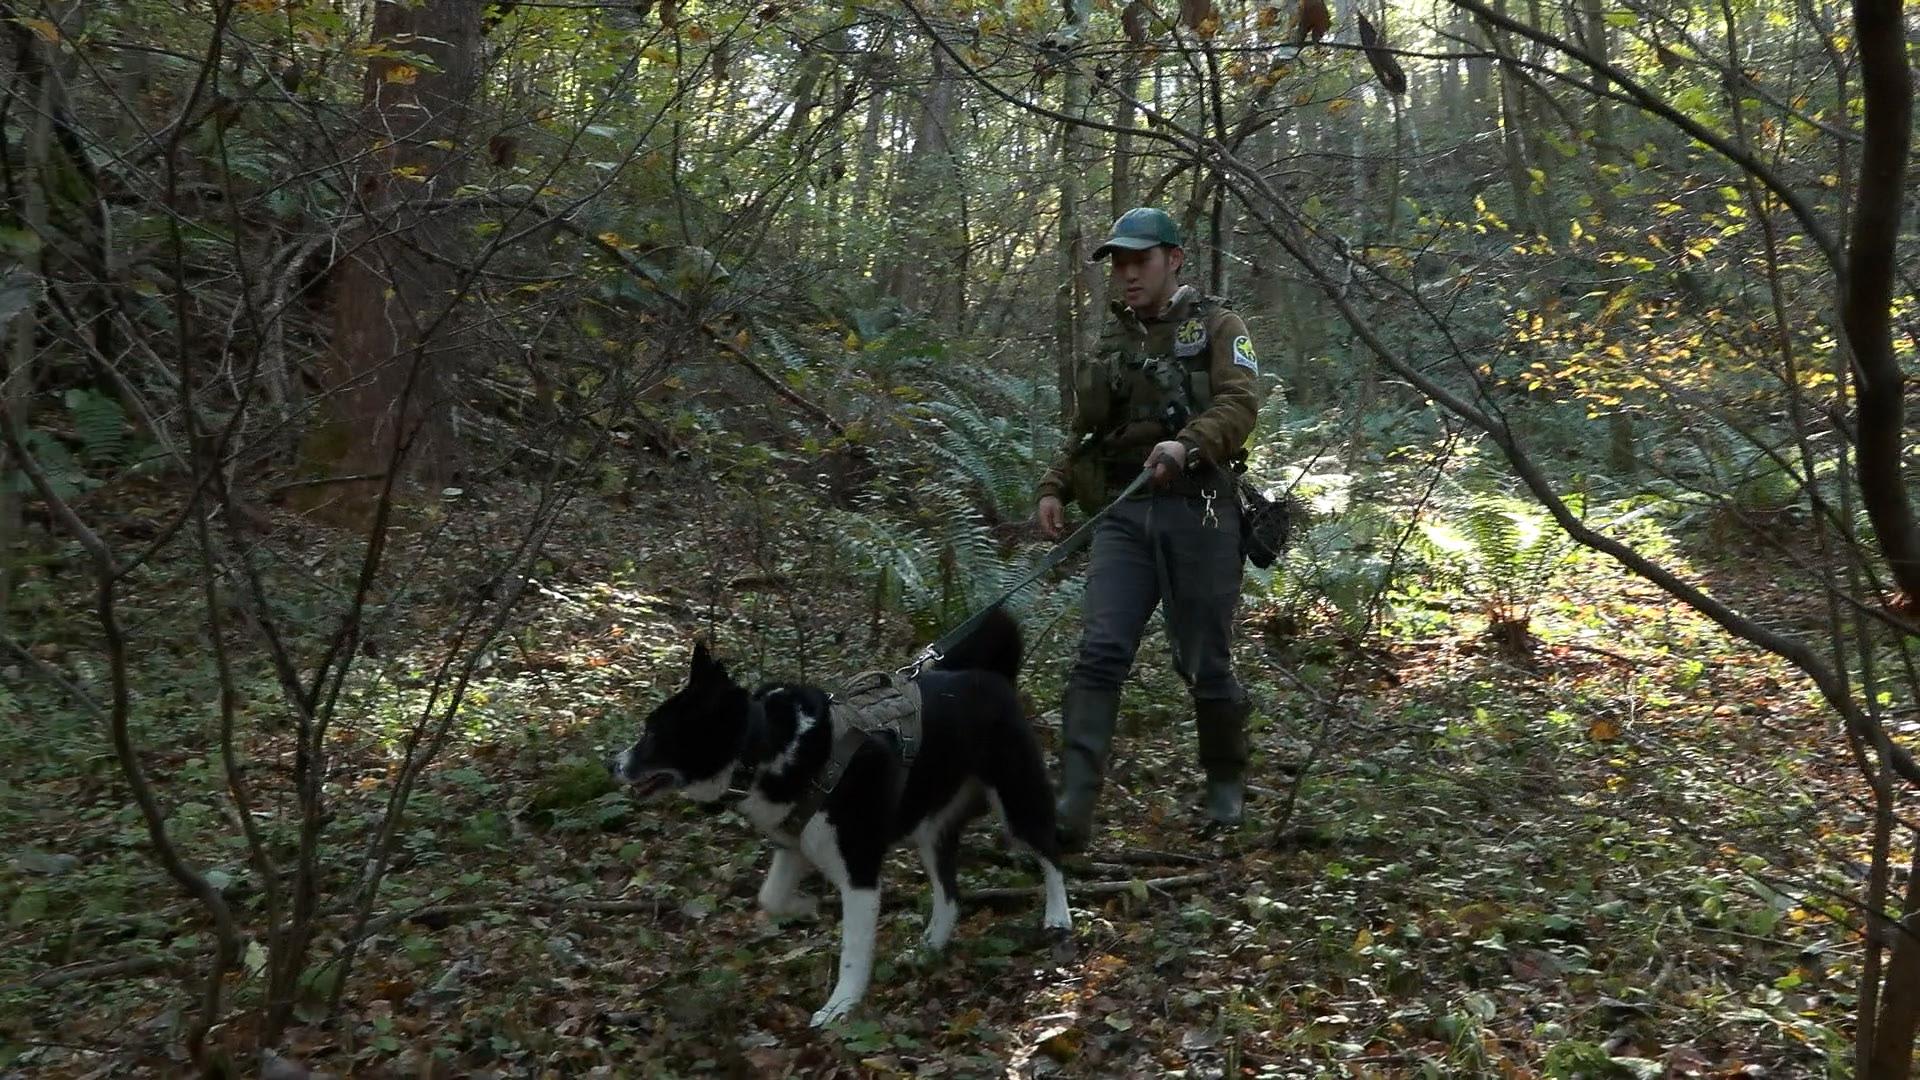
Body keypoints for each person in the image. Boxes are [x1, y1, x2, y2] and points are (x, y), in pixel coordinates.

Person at [1035, 207, 1262, 852]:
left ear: (1174, 259)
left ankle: (1226, 788)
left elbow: (1240, 404)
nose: (1128, 275)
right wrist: (1054, 485)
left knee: (1205, 662)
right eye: (1119, 264)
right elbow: (1087, 431)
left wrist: (1185, 446)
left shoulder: (1220, 327)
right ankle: (1073, 805)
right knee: (1101, 651)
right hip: (1123, 516)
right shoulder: (1114, 344)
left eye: (1140, 261)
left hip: (1201, 513)